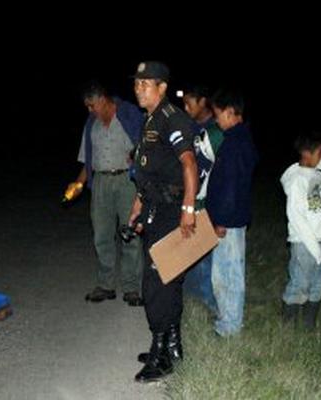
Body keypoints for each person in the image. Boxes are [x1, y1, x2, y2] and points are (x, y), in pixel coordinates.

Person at [128, 61, 198, 382]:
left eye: (146, 84)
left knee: (158, 284)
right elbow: (147, 173)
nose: (139, 89)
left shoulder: (173, 119)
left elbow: (189, 165)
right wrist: (137, 209)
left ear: (163, 87)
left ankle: (162, 355)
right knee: (167, 281)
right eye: (137, 84)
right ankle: (172, 345)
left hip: (171, 211)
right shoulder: (150, 121)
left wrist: (188, 210)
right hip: (155, 208)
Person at [68, 82, 144, 306]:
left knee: (130, 234)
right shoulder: (92, 123)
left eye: (91, 105)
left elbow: (148, 145)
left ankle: (131, 288)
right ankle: (106, 285)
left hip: (127, 181)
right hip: (100, 181)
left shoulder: (129, 114)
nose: (89, 111)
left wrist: (137, 157)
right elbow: (88, 161)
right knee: (102, 235)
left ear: (102, 100)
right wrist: (78, 184)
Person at [206, 89, 258, 337]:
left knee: (228, 275)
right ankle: (227, 319)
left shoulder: (235, 145)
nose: (216, 120)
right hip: (230, 219)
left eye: (217, 115)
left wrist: (221, 220)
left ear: (229, 112)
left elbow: (230, 186)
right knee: (224, 273)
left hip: (229, 222)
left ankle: (231, 326)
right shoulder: (237, 140)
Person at [280, 132, 321, 330]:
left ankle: (308, 326)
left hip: (318, 240)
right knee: (300, 284)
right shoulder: (297, 180)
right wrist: (314, 249)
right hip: (304, 242)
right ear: (306, 152)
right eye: (319, 153)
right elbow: (296, 218)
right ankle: (288, 327)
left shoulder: (317, 175)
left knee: (317, 285)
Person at [182, 85, 223, 313]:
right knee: (190, 253)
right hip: (191, 199)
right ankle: (191, 300)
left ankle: (207, 302)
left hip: (208, 201)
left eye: (190, 103)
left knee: (206, 256)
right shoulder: (190, 128)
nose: (186, 108)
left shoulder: (216, 131)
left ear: (203, 101)